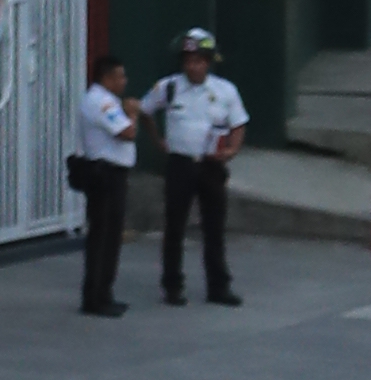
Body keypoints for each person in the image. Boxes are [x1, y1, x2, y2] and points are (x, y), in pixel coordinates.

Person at [139, 27, 249, 306]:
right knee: (175, 226)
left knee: (214, 228)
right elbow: (144, 111)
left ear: (208, 62)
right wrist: (158, 140)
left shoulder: (225, 90)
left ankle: (218, 286)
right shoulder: (169, 87)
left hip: (211, 165)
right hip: (180, 164)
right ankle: (172, 285)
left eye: (199, 60)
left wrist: (232, 150)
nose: (193, 66)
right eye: (188, 60)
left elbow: (238, 123)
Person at [71, 53, 137, 317]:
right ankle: (95, 296)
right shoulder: (102, 103)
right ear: (107, 78)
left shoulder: (104, 100)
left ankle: (104, 292)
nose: (124, 81)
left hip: (112, 174)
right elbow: (126, 132)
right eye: (120, 76)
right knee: (102, 235)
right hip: (105, 175)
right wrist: (131, 113)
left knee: (111, 235)